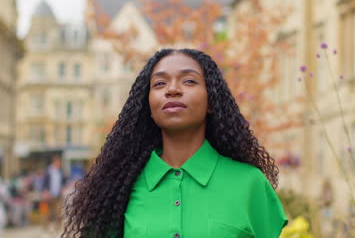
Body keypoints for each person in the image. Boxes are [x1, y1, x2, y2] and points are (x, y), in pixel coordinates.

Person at [61, 49, 288, 237]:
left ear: (212, 102)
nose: (172, 89)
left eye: (189, 81)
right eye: (159, 84)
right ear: (147, 106)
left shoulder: (249, 184)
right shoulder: (115, 190)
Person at [42, 155, 65, 232]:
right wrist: (45, 191)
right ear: (54, 162)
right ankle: (46, 228)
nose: (60, 164)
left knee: (59, 212)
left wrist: (62, 188)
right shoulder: (48, 171)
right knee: (48, 213)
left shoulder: (60, 172)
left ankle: (58, 228)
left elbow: (62, 182)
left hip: (57, 195)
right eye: (59, 162)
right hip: (49, 195)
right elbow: (44, 182)